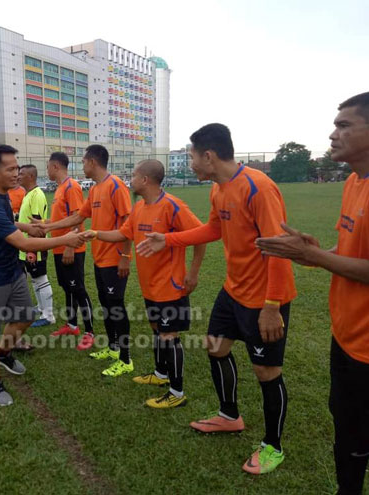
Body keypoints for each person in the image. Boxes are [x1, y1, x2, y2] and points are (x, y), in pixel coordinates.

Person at [137, 123, 296, 474]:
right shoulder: (218, 189)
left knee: (266, 371)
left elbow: (279, 249)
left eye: (191, 156)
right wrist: (170, 239)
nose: (190, 163)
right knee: (215, 346)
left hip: (264, 298)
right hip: (233, 289)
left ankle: (273, 445)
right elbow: (213, 229)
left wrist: (272, 306)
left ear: (208, 155)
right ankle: (229, 415)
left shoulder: (258, 187)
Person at [256, 92, 369, 494]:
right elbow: (351, 252)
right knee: (348, 434)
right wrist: (314, 253)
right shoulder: (355, 182)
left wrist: (313, 256)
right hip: (347, 337)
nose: (333, 134)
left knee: (358, 436)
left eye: (344, 126)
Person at [81, 160, 206, 408]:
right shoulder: (139, 208)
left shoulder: (172, 205)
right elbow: (122, 234)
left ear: (145, 180)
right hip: (150, 286)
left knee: (169, 335)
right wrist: (95, 233)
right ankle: (160, 375)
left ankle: (177, 393)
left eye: (134, 175)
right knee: (156, 328)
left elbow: (200, 235)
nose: (131, 179)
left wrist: (193, 272)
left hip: (171, 285)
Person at [0, 144, 83, 406]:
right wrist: (64, 238)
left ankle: (5, 352)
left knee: (26, 316)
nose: (16, 173)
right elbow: (24, 245)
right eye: (10, 169)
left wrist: (26, 226)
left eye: (17, 167)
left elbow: (7, 223)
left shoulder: (1, 196)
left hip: (11, 272)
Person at [38, 145, 134, 377]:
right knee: (107, 305)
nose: (82, 165)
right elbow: (78, 216)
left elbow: (128, 222)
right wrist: (49, 226)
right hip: (99, 258)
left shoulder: (115, 185)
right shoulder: (95, 189)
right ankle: (112, 349)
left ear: (92, 161)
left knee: (116, 308)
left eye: (83, 162)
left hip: (114, 259)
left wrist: (125, 256)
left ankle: (125, 358)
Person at [45, 152, 95, 344]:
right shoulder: (59, 189)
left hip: (70, 248)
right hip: (59, 246)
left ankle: (89, 332)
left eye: (48, 166)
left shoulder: (71, 186)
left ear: (55, 166)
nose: (48, 170)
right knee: (67, 288)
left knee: (78, 288)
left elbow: (78, 217)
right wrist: (44, 223)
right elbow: (61, 219)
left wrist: (70, 247)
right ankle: (72, 325)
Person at [17, 164, 55, 327]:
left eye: (22, 174)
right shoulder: (28, 194)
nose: (18, 176)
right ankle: (40, 308)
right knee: (34, 279)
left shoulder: (37, 195)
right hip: (28, 245)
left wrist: (32, 250)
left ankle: (49, 316)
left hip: (35, 245)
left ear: (31, 176)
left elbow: (37, 224)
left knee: (41, 278)